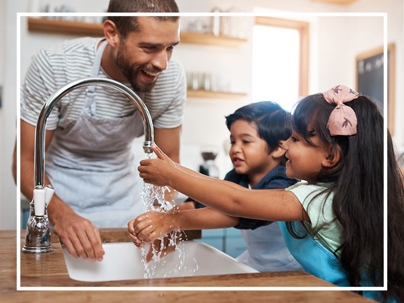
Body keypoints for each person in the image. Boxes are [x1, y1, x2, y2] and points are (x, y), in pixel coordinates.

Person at [134, 85, 404, 302]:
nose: (285, 144)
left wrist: (172, 178)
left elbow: (236, 201)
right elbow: (227, 190)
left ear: (331, 157)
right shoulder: (328, 193)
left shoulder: (311, 198)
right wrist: (175, 170)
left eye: (296, 140)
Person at [15, 0, 186, 262]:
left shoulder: (170, 79)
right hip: (58, 200)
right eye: (149, 47)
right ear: (112, 33)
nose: (162, 62)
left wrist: (161, 216)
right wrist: (61, 215)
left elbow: (169, 163)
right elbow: (25, 163)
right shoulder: (55, 66)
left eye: (170, 48)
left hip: (125, 206)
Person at [128, 101, 302, 272]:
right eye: (233, 141)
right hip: (255, 263)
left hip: (292, 270)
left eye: (246, 142)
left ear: (279, 148)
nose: (235, 149)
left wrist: (170, 220)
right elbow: (203, 201)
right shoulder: (238, 176)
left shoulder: (284, 181)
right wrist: (157, 219)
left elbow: (236, 211)